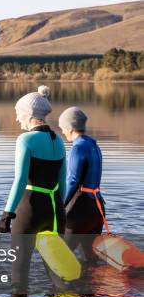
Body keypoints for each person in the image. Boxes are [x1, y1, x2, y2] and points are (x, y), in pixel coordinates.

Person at [0, 86, 67, 293]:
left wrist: (6, 214)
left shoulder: (25, 140)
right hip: (55, 212)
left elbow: (19, 180)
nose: (18, 119)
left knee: (20, 273)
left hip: (30, 211)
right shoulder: (60, 141)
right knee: (57, 274)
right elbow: (61, 184)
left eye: (19, 114)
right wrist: (58, 211)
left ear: (29, 114)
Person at [59, 107, 106, 265]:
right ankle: (92, 288)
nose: (63, 132)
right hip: (97, 209)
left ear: (70, 127)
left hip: (80, 211)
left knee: (62, 258)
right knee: (91, 260)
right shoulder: (94, 145)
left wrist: (60, 206)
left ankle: (61, 289)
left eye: (63, 128)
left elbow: (72, 180)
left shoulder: (77, 147)